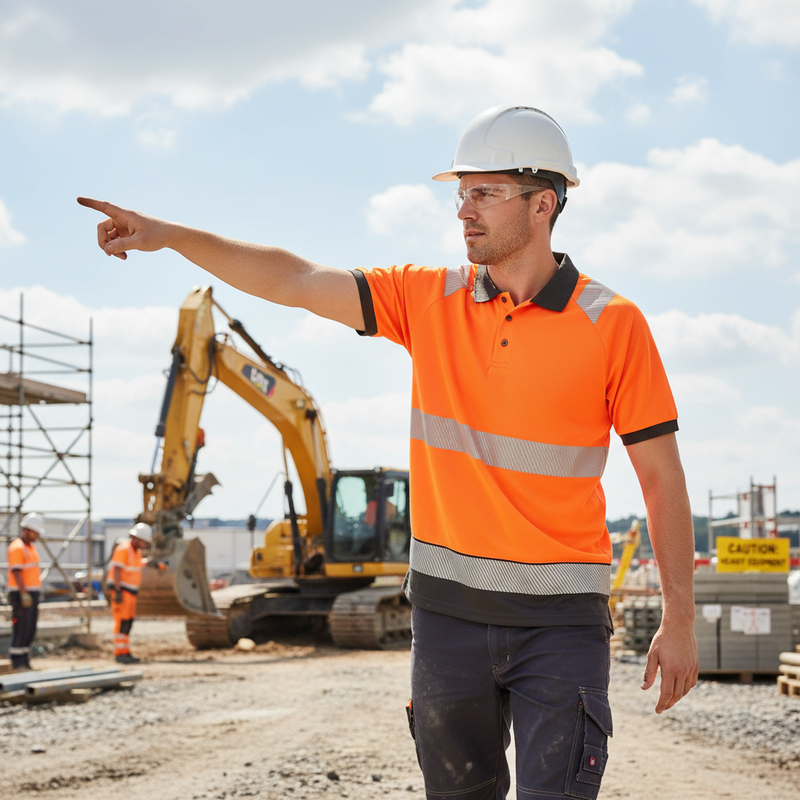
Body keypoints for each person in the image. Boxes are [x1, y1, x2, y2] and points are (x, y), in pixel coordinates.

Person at [78, 103, 699, 799]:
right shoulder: (428, 300)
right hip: (447, 618)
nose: (464, 211)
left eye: (485, 193)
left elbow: (660, 477)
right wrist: (168, 236)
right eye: (461, 193)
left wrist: (679, 619)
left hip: (561, 623)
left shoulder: (613, 324)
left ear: (543, 203)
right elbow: (294, 279)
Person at [108, 522, 151, 664]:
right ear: (136, 538)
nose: (145, 545)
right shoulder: (124, 549)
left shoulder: (135, 552)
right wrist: (118, 591)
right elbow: (117, 571)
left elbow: (138, 566)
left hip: (131, 592)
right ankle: (119, 653)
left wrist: (154, 563)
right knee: (121, 622)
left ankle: (125, 651)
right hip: (122, 591)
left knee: (128, 622)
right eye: (144, 541)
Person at [7, 512, 45, 671]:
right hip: (20, 593)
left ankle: (24, 659)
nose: (36, 535)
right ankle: (17, 661)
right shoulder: (17, 547)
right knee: (21, 626)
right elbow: (16, 572)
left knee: (30, 627)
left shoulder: (31, 547)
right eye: (35, 532)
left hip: (31, 593)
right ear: (27, 530)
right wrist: (24, 594)